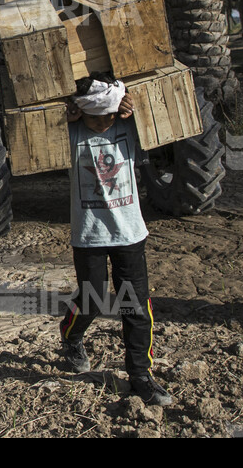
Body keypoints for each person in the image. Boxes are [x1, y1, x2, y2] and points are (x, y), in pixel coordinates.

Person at [58, 73, 174, 407]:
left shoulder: (130, 128)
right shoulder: (73, 131)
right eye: (92, 116)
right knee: (93, 300)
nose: (99, 123)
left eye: (105, 116)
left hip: (129, 233)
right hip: (89, 234)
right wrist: (65, 115)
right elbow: (39, 127)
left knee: (135, 305)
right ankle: (71, 337)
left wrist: (137, 109)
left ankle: (140, 376)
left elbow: (162, 124)